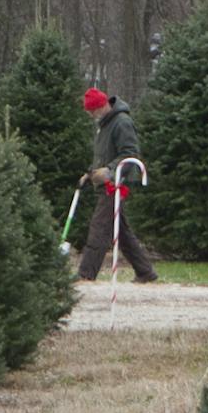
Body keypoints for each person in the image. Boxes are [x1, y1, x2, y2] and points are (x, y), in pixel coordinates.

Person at [76, 87, 157, 284]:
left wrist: (110, 171)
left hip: (116, 183)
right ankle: (145, 272)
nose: (91, 115)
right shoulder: (104, 124)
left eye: (92, 111)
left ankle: (86, 273)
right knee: (121, 231)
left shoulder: (121, 122)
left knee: (100, 226)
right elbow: (104, 155)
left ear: (102, 106)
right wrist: (90, 174)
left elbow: (130, 154)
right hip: (107, 182)